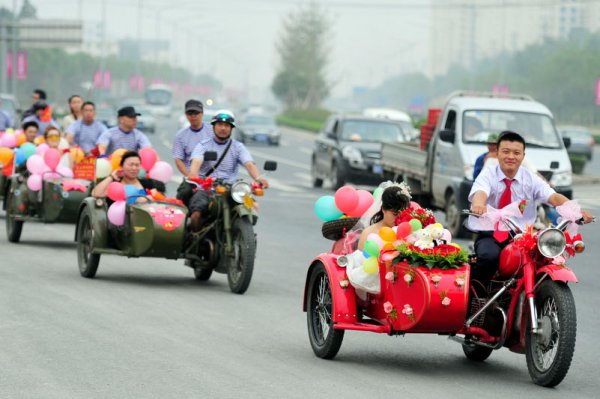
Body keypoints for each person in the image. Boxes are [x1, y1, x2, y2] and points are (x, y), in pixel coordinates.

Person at [468, 130, 594, 281]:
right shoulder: (488, 173)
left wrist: (576, 211)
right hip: (491, 234)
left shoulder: (530, 178)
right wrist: (479, 205)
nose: (511, 157)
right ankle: (478, 300)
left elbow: (553, 196)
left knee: (546, 260)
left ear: (523, 156)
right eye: (506, 152)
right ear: (497, 153)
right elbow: (480, 192)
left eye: (516, 153)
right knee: (488, 258)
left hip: (524, 237)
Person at [187, 110, 268, 232]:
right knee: (196, 215)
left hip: (232, 190)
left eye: (227, 126)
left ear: (231, 128)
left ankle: (244, 235)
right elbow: (196, 162)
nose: (223, 128)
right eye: (220, 125)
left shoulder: (238, 147)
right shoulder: (203, 146)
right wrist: (194, 175)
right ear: (214, 127)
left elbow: (249, 164)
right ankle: (197, 241)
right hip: (207, 189)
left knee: (254, 206)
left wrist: (259, 178)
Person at [172, 99, 214, 203]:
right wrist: (189, 175)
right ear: (186, 115)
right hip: (192, 179)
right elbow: (178, 159)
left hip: (213, 177)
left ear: (202, 113)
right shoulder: (180, 136)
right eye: (190, 113)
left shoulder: (213, 131)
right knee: (183, 194)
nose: (193, 116)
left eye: (196, 113)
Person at [92, 151, 159, 204]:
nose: (134, 168)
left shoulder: (148, 183)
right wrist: (111, 177)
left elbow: (157, 199)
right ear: (121, 166)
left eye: (137, 165)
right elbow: (96, 194)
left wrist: (148, 199)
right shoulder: (114, 184)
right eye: (131, 164)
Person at [357, 185, 410, 250]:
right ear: (383, 209)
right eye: (395, 214)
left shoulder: (408, 230)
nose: (399, 218)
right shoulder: (368, 233)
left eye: (402, 214)